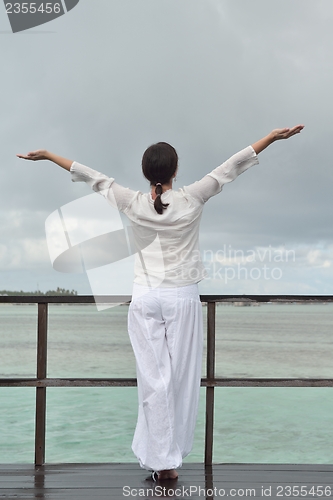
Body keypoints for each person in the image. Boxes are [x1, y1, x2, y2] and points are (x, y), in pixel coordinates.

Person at [17, 125, 304, 480]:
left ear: (145, 172)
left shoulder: (131, 201)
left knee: (154, 381)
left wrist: (47, 156)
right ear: (175, 170)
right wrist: (273, 139)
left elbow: (92, 177)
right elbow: (233, 165)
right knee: (181, 381)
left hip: (145, 297)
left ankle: (161, 461)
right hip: (181, 296)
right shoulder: (192, 197)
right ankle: (168, 461)